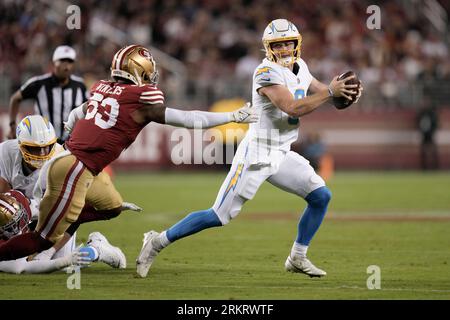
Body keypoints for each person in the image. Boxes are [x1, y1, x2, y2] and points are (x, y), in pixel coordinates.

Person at [136, 19, 363, 278]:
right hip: (256, 153)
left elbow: (325, 94)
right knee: (218, 215)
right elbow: (292, 107)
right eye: (279, 45)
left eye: (289, 43)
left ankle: (297, 257)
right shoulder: (265, 72)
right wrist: (330, 92)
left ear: (297, 44)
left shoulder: (301, 67)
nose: (285, 49)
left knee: (321, 196)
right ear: (269, 48)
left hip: (281, 152)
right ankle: (157, 241)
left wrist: (344, 94)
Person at [0, 44, 257, 262]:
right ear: (138, 70)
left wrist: (69, 129)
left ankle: (40, 212)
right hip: (75, 168)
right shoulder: (140, 98)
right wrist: (231, 116)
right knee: (43, 240)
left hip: (69, 161)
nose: (151, 77)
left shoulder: (103, 88)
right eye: (147, 72)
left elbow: (78, 112)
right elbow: (187, 118)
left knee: (112, 207)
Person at [0, 115, 141, 262]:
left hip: (51, 217)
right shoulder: (5, 152)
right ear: (20, 144)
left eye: (46, 147)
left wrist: (48, 252)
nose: (42, 155)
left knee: (52, 261)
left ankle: (97, 249)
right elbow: (3, 199)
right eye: (35, 149)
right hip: (19, 217)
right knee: (18, 256)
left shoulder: (61, 162)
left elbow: (72, 213)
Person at [0, 190, 126, 274]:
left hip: (39, 235)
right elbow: (22, 268)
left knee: (62, 213)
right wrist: (64, 261)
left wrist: (106, 209)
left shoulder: (16, 199)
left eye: (21, 218)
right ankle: (95, 250)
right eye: (12, 226)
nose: (22, 224)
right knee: (63, 266)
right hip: (15, 247)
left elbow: (58, 210)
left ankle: (97, 249)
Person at [8, 45, 88, 143]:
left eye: (70, 62)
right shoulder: (39, 83)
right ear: (54, 63)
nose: (66, 66)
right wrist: (12, 125)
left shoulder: (80, 85)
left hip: (70, 143)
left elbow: (87, 110)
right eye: (62, 61)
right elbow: (15, 99)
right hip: (43, 142)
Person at [417, 104, 439, 170]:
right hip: (425, 135)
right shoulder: (422, 114)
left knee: (431, 150)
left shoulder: (430, 114)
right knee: (425, 151)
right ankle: (425, 166)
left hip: (430, 135)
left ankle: (434, 166)